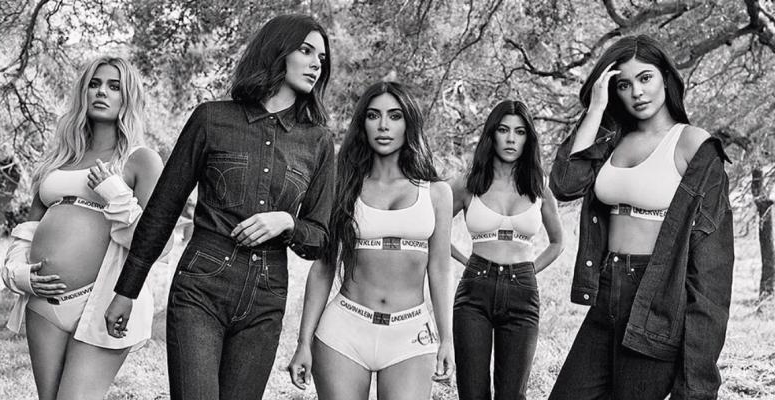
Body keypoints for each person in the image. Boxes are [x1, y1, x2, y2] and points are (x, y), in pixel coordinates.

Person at [103, 14, 336, 400]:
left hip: (266, 299)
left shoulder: (318, 142)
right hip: (201, 288)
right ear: (277, 51)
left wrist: (286, 222)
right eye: (306, 51)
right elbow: (163, 208)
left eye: (322, 59)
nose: (316, 64)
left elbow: (320, 238)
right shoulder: (212, 119)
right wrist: (127, 290)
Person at [547, 35, 733, 400]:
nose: (637, 92)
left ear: (666, 77)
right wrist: (596, 109)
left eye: (645, 77)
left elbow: (712, 269)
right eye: (623, 84)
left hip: (656, 298)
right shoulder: (612, 139)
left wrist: (697, 384)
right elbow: (565, 184)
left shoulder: (693, 144)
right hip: (606, 289)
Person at [1, 56, 162, 400]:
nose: (102, 92)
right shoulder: (58, 158)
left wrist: (114, 193)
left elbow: (157, 244)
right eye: (94, 84)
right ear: (83, 92)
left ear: (128, 97)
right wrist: (17, 273)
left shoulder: (141, 159)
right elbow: (28, 228)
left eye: (114, 86)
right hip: (43, 301)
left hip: (104, 300)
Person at [287, 81, 455, 400]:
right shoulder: (343, 186)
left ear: (409, 123)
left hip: (410, 334)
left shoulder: (436, 194)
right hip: (345, 330)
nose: (383, 125)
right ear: (362, 124)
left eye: (395, 116)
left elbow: (441, 269)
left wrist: (447, 338)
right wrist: (303, 343)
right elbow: (323, 268)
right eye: (373, 115)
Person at [449, 100, 564, 400]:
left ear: (528, 139)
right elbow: (433, 227)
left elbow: (557, 242)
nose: (511, 139)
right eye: (503, 130)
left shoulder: (538, 185)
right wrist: (465, 260)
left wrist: (529, 270)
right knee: (472, 393)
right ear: (492, 134)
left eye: (520, 132)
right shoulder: (469, 183)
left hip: (522, 292)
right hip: (475, 290)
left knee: (512, 395)